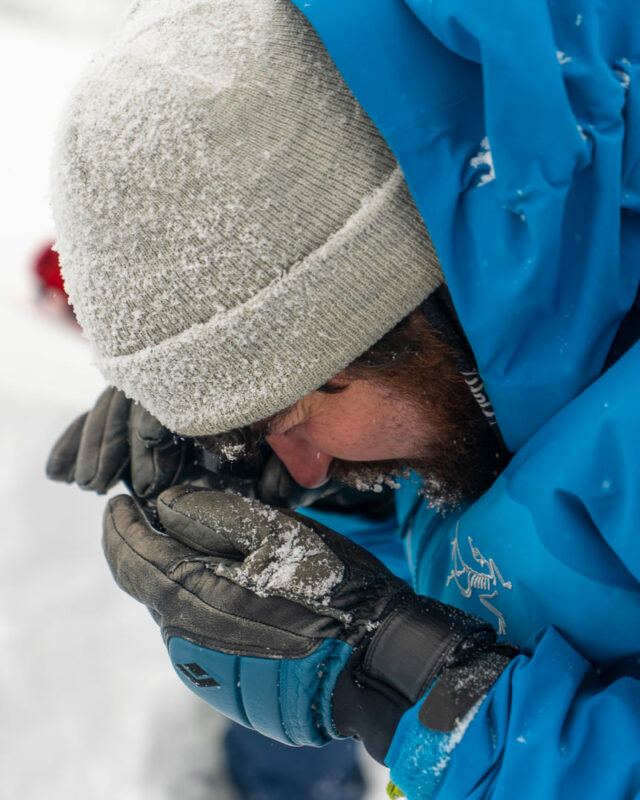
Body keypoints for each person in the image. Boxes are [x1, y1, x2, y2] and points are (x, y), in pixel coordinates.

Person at [46, 0, 640, 798]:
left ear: (402, 302)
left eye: (291, 418)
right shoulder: (496, 368)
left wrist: (411, 691)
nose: (303, 459)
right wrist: (345, 531)